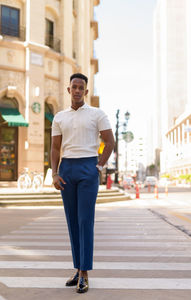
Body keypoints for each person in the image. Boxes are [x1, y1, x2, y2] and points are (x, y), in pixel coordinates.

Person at [51, 73, 115, 293]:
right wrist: (54, 174)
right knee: (72, 221)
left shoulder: (97, 114)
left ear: (86, 92)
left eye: (81, 88)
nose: (77, 90)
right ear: (68, 90)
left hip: (88, 168)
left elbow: (110, 142)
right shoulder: (59, 117)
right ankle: (78, 269)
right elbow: (55, 148)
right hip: (67, 169)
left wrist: (98, 167)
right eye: (74, 87)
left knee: (85, 220)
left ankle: (85, 273)